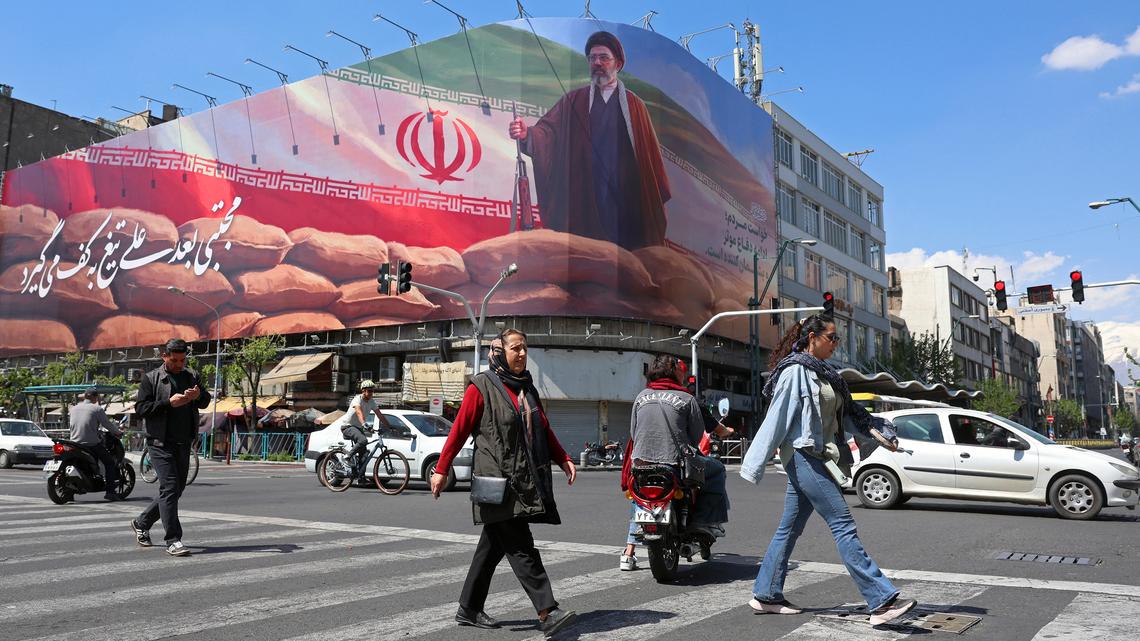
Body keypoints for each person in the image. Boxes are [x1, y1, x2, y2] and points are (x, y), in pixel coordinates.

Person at [741, 315, 916, 625]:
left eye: (837, 339)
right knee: (843, 525)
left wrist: (877, 432)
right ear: (812, 337)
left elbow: (848, 413)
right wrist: (756, 461)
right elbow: (778, 415)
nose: (837, 344)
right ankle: (880, 602)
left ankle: (765, 594)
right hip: (804, 455)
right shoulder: (795, 371)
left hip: (820, 457)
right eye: (832, 338)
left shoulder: (827, 375)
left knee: (789, 528)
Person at [431, 329, 578, 638]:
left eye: (525, 348)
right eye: (515, 348)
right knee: (521, 545)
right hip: (497, 482)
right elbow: (458, 431)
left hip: (522, 480)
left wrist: (562, 457)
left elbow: (544, 428)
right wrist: (441, 468)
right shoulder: (481, 387)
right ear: (499, 353)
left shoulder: (527, 389)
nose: (522, 354)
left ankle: (468, 608)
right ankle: (547, 611)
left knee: (491, 547)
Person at [508, 30, 671, 251]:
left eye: (604, 57)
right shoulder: (574, 100)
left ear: (618, 64)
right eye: (592, 58)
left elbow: (649, 159)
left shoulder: (635, 106)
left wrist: (652, 194)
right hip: (585, 193)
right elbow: (549, 133)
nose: (597, 63)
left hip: (625, 197)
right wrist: (528, 134)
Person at [621, 355, 732, 571]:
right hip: (676, 464)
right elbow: (696, 435)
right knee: (717, 470)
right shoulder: (686, 398)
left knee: (639, 497)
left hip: (641, 466)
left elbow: (633, 432)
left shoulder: (641, 396)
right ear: (674, 372)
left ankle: (629, 548)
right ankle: (701, 521)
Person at [130, 338, 212, 557]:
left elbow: (205, 401)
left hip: (183, 441)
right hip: (159, 442)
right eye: (175, 360)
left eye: (183, 359)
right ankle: (173, 539)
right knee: (170, 487)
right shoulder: (151, 378)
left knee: (177, 490)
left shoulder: (191, 376)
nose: (179, 364)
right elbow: (141, 408)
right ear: (164, 356)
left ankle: (141, 522)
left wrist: (199, 396)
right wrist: (168, 403)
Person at [68, 387, 124, 501]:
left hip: (73, 443)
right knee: (109, 463)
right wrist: (118, 432)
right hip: (91, 444)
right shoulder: (96, 409)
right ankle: (110, 492)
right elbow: (107, 424)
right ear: (95, 397)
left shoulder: (73, 409)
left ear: (84, 396)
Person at [341, 379, 378, 470]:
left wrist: (389, 426)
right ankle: (348, 456)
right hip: (347, 427)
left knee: (364, 454)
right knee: (363, 440)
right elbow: (358, 412)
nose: (371, 393)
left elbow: (380, 415)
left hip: (358, 428)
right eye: (369, 391)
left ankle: (361, 478)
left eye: (372, 391)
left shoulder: (371, 402)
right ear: (363, 391)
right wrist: (364, 423)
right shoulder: (357, 399)